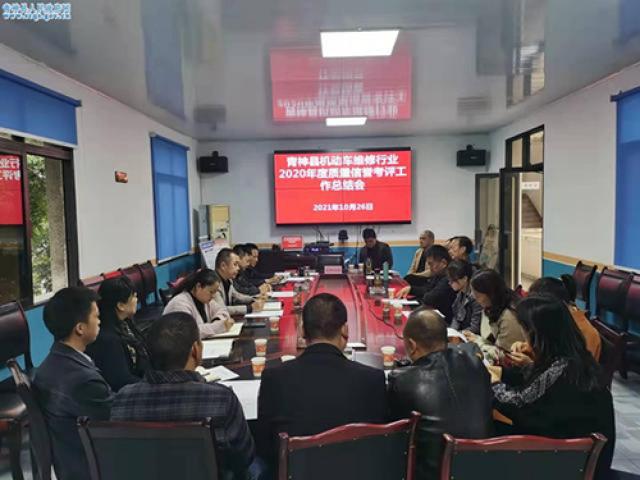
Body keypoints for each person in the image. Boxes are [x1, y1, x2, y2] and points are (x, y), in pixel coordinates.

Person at [111, 312, 256, 479]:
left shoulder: (123, 399)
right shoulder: (221, 398)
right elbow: (244, 457)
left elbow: (121, 459)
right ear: (195, 350)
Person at [257, 293, 387, 476]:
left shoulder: (274, 378)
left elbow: (264, 448)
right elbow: (379, 447)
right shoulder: (373, 379)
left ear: (302, 331)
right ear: (345, 330)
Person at [489, 296, 615, 479]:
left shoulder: (560, 370)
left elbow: (518, 403)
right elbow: (543, 386)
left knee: (487, 432)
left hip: (566, 464)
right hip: (576, 455)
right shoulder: (575, 360)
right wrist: (520, 369)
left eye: (525, 331)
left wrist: (493, 382)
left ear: (539, 334)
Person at [388, 309, 493, 480]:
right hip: (483, 468)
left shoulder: (402, 380)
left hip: (431, 474)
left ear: (412, 345)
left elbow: (396, 434)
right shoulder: (476, 364)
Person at [33, 287, 114, 480]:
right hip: (92, 467)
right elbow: (118, 420)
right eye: (96, 316)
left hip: (68, 463)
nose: (100, 321)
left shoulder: (48, 365)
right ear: (80, 328)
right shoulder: (83, 380)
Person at [86, 277, 150, 391]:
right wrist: (152, 386)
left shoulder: (126, 322)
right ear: (121, 305)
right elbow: (121, 380)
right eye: (134, 296)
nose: (137, 300)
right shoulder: (108, 339)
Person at [517, 276, 601, 361]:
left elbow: (571, 367)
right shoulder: (558, 322)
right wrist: (523, 347)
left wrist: (529, 364)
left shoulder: (584, 333)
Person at [463, 269, 526, 364]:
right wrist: (477, 339)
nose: (474, 297)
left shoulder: (509, 316)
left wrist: (478, 342)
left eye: (477, 295)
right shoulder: (493, 306)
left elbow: (506, 356)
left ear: (491, 294)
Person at [164, 268, 235, 337]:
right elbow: (189, 332)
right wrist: (218, 326)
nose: (213, 296)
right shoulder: (179, 303)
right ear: (198, 286)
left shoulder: (205, 299)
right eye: (211, 292)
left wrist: (217, 320)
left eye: (215, 292)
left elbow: (222, 310)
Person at [396, 245, 457, 322]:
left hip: (444, 320)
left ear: (443, 263)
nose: (429, 268)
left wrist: (426, 293)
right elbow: (427, 289)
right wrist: (411, 289)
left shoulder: (449, 278)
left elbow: (430, 298)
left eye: (431, 264)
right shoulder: (438, 275)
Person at [214, 248, 264, 316]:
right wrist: (249, 308)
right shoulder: (213, 283)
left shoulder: (228, 280)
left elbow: (237, 296)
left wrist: (255, 299)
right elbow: (221, 309)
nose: (238, 268)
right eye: (235, 264)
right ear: (223, 266)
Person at [447, 260, 483, 334]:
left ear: (465, 279)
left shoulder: (476, 297)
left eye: (453, 280)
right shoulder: (461, 294)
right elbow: (456, 317)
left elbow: (475, 327)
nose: (450, 283)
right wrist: (451, 332)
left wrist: (457, 334)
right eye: (449, 280)